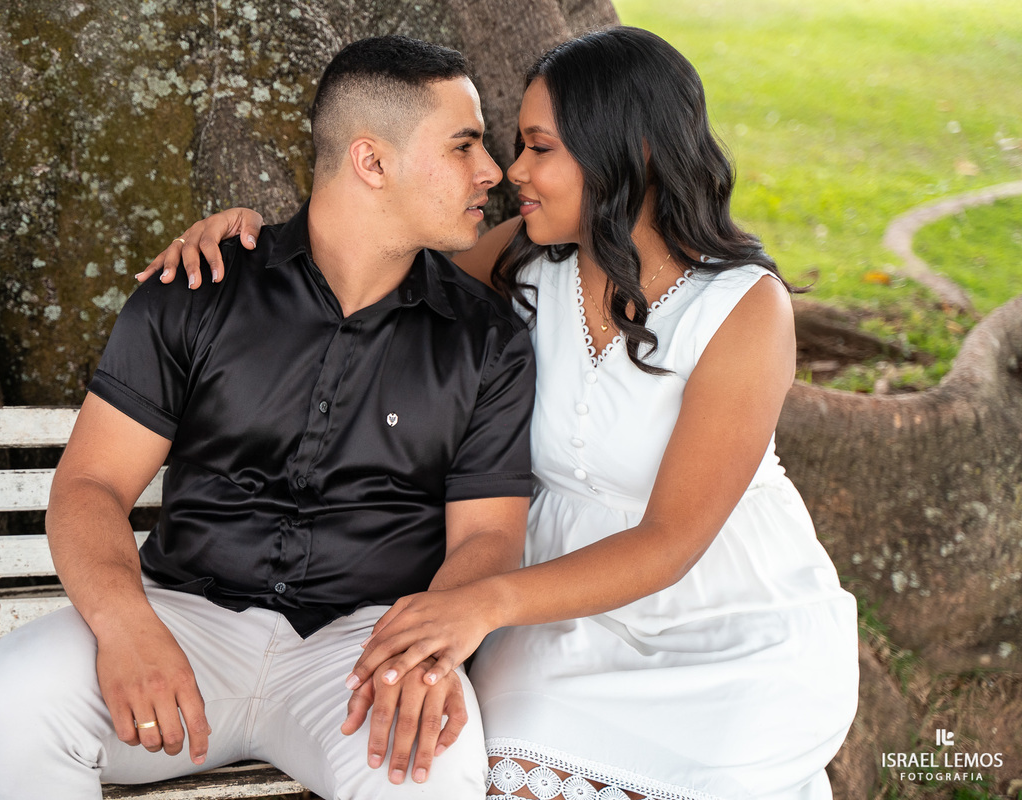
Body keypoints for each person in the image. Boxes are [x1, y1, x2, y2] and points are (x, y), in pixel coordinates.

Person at [139, 26, 859, 800]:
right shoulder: (525, 254)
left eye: (540, 148)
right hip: (551, 621)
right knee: (494, 760)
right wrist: (248, 239)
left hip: (718, 621)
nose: (512, 171)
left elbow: (670, 543)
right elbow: (374, 256)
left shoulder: (742, 308)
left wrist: (477, 606)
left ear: (634, 153)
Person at [0, 35, 539, 800]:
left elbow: (489, 535)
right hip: (182, 621)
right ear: (372, 162)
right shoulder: (199, 286)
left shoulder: (486, 337)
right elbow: (92, 484)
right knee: (11, 696)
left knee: (432, 769)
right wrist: (127, 627)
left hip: (363, 648)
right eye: (464, 145)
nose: (491, 171)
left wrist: (426, 649)